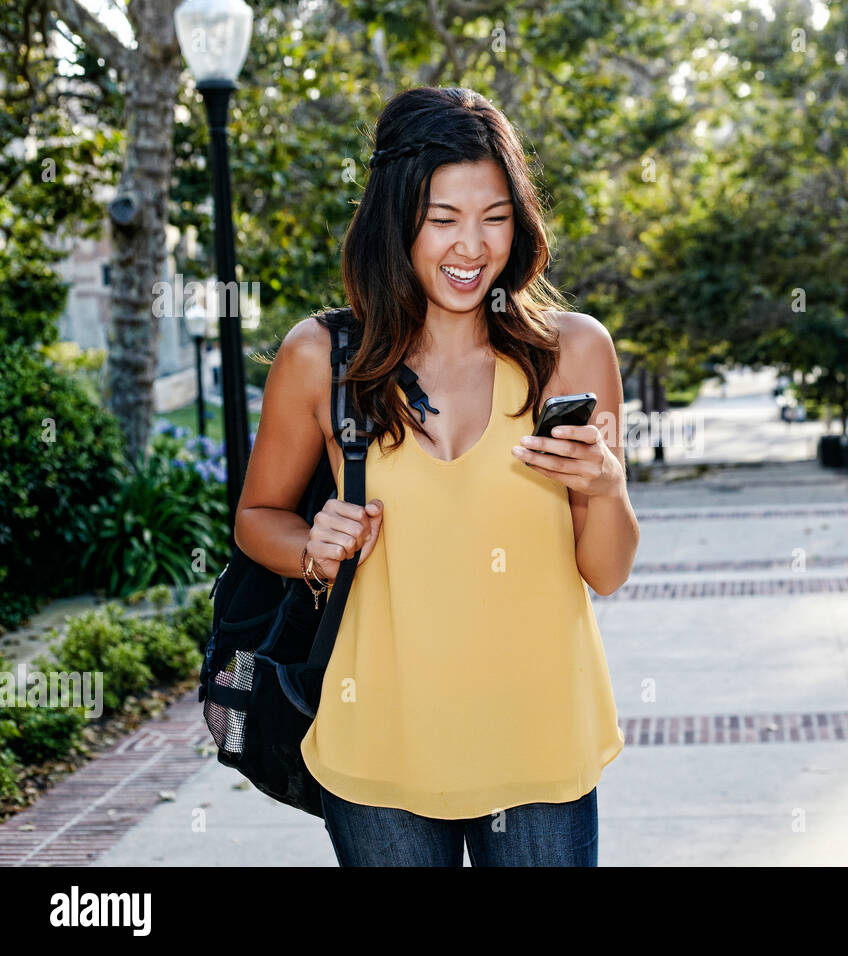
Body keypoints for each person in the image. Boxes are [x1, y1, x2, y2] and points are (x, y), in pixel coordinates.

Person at [233, 86, 638, 866]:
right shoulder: (322, 359)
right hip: (378, 747)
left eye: (494, 217)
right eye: (442, 219)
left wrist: (604, 486)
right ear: (396, 222)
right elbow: (257, 517)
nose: (472, 247)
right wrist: (313, 548)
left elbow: (607, 571)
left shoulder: (573, 353)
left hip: (539, 746)